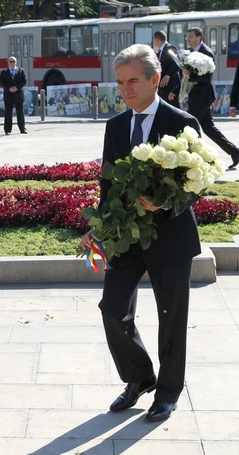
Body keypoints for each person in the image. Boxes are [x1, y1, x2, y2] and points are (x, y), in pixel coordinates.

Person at [80, 44, 202, 423]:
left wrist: (167, 203)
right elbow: (107, 184)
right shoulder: (115, 126)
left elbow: (199, 183)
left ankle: (167, 392)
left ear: (155, 80)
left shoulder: (183, 122)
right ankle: (140, 377)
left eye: (133, 80)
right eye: (120, 82)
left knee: (171, 318)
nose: (126, 89)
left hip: (171, 239)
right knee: (113, 310)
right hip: (126, 237)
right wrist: (98, 226)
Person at [184, 27, 239, 168]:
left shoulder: (206, 53)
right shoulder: (190, 52)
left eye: (190, 37)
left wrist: (190, 75)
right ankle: (234, 151)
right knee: (209, 128)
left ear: (199, 38)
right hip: (195, 96)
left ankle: (199, 159)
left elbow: (207, 77)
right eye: (187, 37)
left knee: (189, 126)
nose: (188, 39)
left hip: (203, 96)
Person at [0, 56, 27, 134]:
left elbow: (24, 80)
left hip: (18, 94)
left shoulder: (21, 71)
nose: (12, 63)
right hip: (8, 94)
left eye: (13, 61)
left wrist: (16, 87)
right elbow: (2, 82)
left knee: (20, 112)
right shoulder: (3, 72)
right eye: (10, 61)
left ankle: (22, 129)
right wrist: (9, 88)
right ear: (8, 62)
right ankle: (7, 130)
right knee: (8, 112)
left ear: (16, 62)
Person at [153, 31, 181, 108]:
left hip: (171, 85)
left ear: (157, 40)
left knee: (173, 106)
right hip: (162, 86)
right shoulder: (160, 52)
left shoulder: (170, 48)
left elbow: (177, 64)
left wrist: (168, 75)